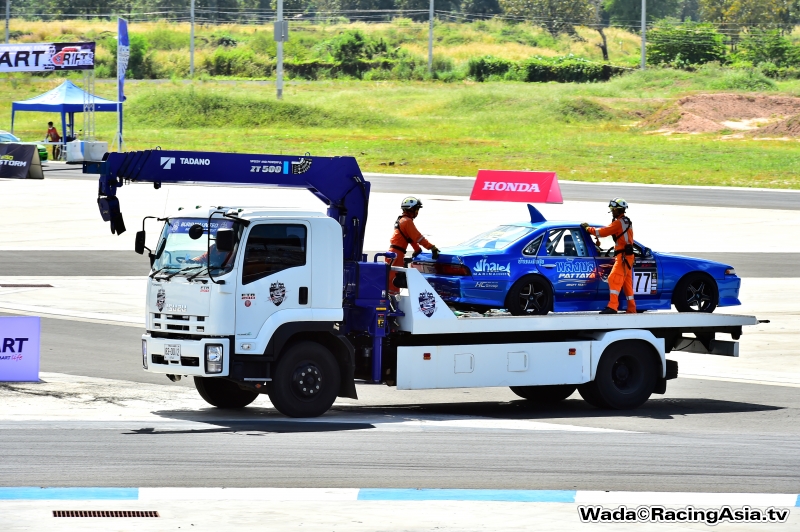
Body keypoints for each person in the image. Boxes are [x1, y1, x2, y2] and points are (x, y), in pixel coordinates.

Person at [581, 198, 636, 314]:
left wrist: (587, 229)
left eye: (612, 209)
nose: (611, 211)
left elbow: (602, 232)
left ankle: (612, 307)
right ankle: (631, 309)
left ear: (618, 209)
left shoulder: (618, 223)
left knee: (613, 279)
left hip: (623, 257)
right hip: (628, 256)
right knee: (627, 283)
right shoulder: (626, 221)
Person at [387, 197, 440, 294]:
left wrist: (417, 250)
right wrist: (431, 247)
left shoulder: (402, 220)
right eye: (417, 209)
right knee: (394, 282)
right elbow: (418, 237)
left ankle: (392, 303)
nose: (417, 212)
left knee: (394, 280)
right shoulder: (407, 222)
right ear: (411, 209)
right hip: (396, 254)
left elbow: (410, 238)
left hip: (395, 254)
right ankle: (392, 304)